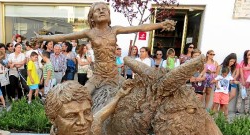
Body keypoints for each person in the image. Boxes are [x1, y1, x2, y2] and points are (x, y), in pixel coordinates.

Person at [34, 2, 175, 93]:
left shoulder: (114, 30)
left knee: (136, 95)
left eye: (104, 9)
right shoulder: (89, 32)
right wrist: (43, 38)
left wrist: (160, 24)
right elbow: (63, 37)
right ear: (92, 18)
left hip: (114, 75)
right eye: (97, 10)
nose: (101, 11)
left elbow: (140, 27)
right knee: (83, 97)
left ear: (109, 15)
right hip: (98, 76)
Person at [236, 49, 250, 115]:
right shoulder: (243, 62)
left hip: (249, 82)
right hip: (242, 81)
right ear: (246, 56)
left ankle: (246, 111)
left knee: (248, 97)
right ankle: (238, 110)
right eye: (249, 54)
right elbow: (241, 72)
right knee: (241, 95)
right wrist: (243, 81)